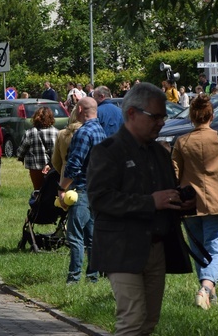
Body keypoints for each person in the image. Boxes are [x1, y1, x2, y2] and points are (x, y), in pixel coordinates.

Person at [89, 82, 191, 334]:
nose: (161, 123)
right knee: (132, 319)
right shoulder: (107, 151)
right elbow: (100, 199)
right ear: (132, 113)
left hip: (156, 248)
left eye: (163, 117)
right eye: (155, 116)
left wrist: (181, 202)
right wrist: (151, 202)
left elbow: (165, 194)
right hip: (121, 248)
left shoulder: (159, 151)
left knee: (148, 321)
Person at [171, 94, 218, 310]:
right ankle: (206, 288)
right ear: (212, 115)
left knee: (199, 250)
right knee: (215, 247)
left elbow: (175, 174)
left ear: (192, 118)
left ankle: (209, 294)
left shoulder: (182, 141)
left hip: (190, 203)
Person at [60, 97, 106, 284]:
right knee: (91, 236)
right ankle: (92, 276)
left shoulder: (83, 132)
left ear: (79, 109)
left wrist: (61, 187)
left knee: (74, 235)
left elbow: (74, 164)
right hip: (98, 189)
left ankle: (73, 278)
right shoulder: (100, 131)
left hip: (82, 189)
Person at [16, 106, 59, 191]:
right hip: (53, 167)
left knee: (38, 190)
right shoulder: (57, 133)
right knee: (52, 191)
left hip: (36, 168)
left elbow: (21, 151)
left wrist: (20, 157)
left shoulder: (30, 132)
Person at [50, 106, 82, 177]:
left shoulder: (61, 134)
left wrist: (62, 170)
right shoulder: (92, 131)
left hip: (65, 175)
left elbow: (55, 161)